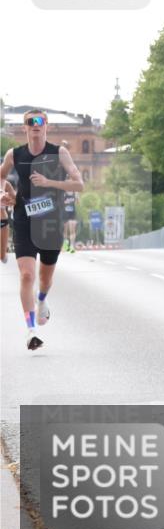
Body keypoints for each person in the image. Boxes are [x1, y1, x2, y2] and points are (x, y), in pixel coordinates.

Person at [0, 110, 85, 350]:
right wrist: (3, 195)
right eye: (31, 122)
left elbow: (79, 183)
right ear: (24, 127)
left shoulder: (59, 153)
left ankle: (42, 300)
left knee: (45, 279)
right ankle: (30, 331)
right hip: (24, 221)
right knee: (27, 275)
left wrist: (50, 183)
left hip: (50, 223)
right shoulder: (14, 154)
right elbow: (1, 176)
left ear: (46, 126)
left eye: (40, 121)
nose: (35, 125)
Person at [60, 141, 79, 253]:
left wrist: (75, 198)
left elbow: (77, 201)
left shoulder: (74, 190)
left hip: (72, 213)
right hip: (64, 213)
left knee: (72, 229)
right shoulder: (62, 191)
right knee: (65, 231)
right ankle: (66, 244)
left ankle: (72, 246)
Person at [1, 179, 14, 264]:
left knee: (2, 257)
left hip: (2, 221)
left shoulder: (5, 183)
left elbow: (15, 197)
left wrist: (10, 200)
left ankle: (4, 252)